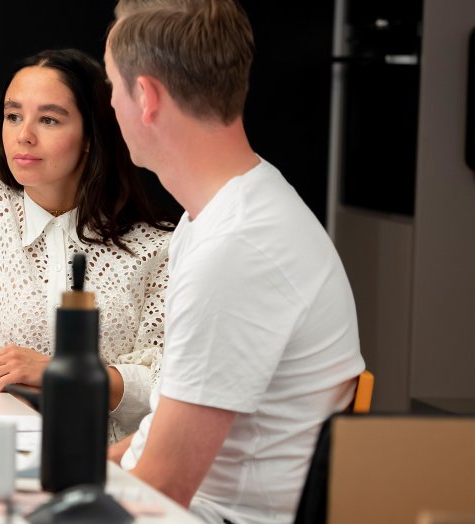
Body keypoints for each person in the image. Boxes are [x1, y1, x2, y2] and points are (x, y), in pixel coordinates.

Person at [103, 1, 366, 523]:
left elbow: (160, 491)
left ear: (146, 97)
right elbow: (164, 433)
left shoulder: (235, 247)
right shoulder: (220, 214)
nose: (110, 102)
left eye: (112, 84)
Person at [0, 48, 173, 441]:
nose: (23, 135)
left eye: (49, 119)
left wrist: (57, 374)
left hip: (114, 458)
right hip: (2, 443)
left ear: (90, 136)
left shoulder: (156, 247)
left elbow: (167, 386)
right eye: (13, 116)